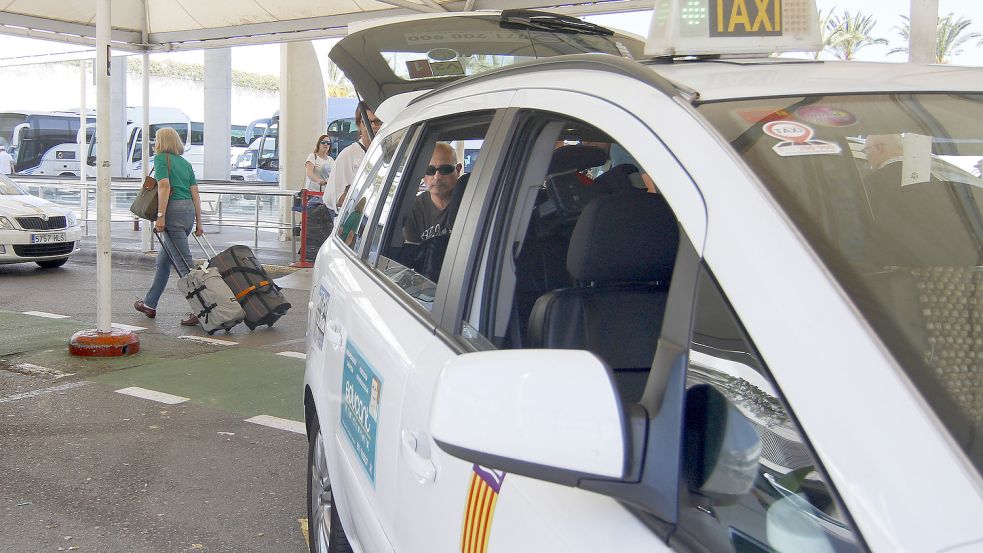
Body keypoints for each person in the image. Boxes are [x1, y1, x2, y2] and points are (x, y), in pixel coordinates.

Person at [133, 126, 204, 326]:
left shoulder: (162, 159)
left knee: (184, 264)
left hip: (172, 213)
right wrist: (199, 221)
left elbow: (164, 187)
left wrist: (161, 216)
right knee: (164, 262)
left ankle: (202, 309)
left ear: (161, 141)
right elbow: (196, 193)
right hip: (188, 212)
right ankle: (150, 303)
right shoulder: (185, 163)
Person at [402, 142, 461, 244]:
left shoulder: (473, 202)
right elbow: (413, 256)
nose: (437, 177)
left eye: (445, 169)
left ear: (458, 170)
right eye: (430, 170)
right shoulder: (413, 210)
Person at [327, 101, 382, 211]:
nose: (373, 126)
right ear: (359, 125)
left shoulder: (387, 153)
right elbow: (332, 198)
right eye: (367, 122)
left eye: (377, 121)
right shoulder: (348, 155)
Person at [304, 134, 335, 198]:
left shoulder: (331, 160)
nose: (326, 144)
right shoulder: (312, 156)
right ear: (319, 144)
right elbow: (309, 173)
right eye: (323, 142)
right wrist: (319, 181)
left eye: (328, 143)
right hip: (312, 194)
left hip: (326, 195)